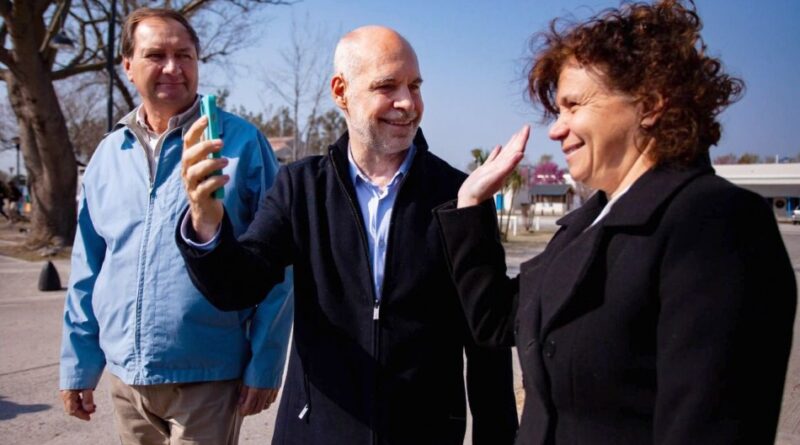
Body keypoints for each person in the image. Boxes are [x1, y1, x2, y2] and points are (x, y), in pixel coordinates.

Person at [435, 1, 797, 444]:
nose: (556, 129)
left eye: (573, 106)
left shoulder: (717, 224)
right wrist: (471, 202)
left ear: (650, 104)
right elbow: (498, 321)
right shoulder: (588, 224)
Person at [177, 25, 518, 445]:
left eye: (414, 86)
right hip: (315, 432)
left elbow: (487, 345)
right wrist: (206, 221)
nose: (407, 103)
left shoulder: (458, 196)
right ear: (341, 92)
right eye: (387, 86)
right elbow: (237, 286)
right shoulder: (300, 187)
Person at [59, 8, 293, 445]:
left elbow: (279, 265)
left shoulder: (242, 144)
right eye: (156, 55)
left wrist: (265, 362)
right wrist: (78, 364)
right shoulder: (108, 154)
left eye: (184, 55)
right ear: (127, 66)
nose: (173, 67)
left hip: (209, 375)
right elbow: (88, 266)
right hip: (127, 379)